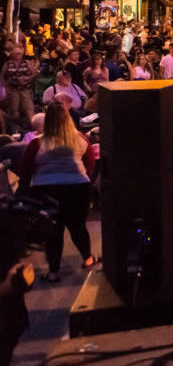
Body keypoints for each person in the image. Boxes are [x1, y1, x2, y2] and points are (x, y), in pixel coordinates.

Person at [18, 102, 98, 281]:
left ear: (47, 121)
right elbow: (90, 165)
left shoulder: (37, 143)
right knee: (78, 227)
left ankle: (53, 273)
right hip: (77, 188)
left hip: (46, 189)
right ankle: (88, 259)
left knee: (53, 230)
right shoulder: (81, 139)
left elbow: (25, 169)